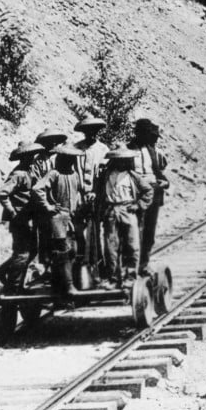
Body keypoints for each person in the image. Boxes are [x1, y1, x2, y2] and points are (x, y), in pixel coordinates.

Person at [31, 144, 86, 300]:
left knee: (73, 250)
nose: (71, 161)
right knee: (63, 251)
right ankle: (68, 287)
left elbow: (79, 192)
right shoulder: (53, 174)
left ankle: (62, 285)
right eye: (68, 158)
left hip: (71, 217)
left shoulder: (74, 174)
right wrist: (48, 206)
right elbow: (37, 189)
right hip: (58, 218)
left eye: (72, 159)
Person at [0, 141, 44, 290]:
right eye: (30, 156)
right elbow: (2, 193)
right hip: (20, 220)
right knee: (22, 254)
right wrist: (13, 212)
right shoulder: (18, 174)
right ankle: (14, 286)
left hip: (28, 218)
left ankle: (2, 271)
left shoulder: (29, 172)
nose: (33, 158)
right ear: (24, 157)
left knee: (32, 250)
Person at [98, 147, 153, 283]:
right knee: (111, 246)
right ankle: (113, 276)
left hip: (127, 210)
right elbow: (99, 193)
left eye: (124, 160)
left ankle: (131, 275)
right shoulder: (106, 175)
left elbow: (148, 191)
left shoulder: (133, 176)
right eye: (118, 160)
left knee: (132, 244)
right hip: (111, 211)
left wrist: (138, 205)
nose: (121, 163)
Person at [127, 118, 169, 270]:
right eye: (142, 133)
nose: (145, 136)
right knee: (133, 228)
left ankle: (144, 262)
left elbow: (161, 172)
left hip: (153, 193)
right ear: (137, 133)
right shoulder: (127, 151)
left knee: (149, 229)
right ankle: (131, 262)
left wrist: (164, 182)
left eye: (147, 133)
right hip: (134, 193)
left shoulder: (155, 152)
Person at [74, 118, 109, 286]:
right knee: (78, 233)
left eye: (94, 130)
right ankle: (81, 269)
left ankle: (99, 269)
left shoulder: (103, 150)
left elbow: (104, 176)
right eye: (88, 131)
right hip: (79, 198)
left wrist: (96, 192)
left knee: (95, 233)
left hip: (97, 198)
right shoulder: (76, 149)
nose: (91, 134)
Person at [31, 128, 68, 274]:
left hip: (59, 200)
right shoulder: (38, 161)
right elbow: (36, 182)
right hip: (43, 201)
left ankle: (60, 268)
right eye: (48, 141)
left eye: (54, 141)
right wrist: (45, 202)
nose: (51, 144)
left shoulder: (61, 157)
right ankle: (45, 267)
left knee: (61, 236)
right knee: (45, 235)